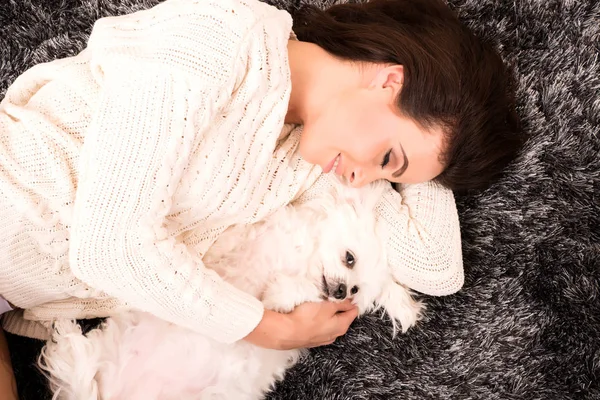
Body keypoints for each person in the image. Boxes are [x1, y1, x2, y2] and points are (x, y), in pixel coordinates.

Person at [0, 0, 521, 353]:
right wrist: (268, 329)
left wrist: (438, 155)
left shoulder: (309, 151)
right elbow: (111, 246)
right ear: (390, 79)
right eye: (387, 159)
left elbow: (436, 270)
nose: (364, 181)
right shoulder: (217, 42)